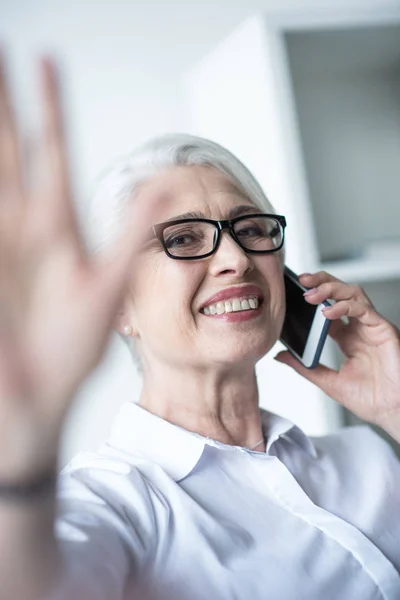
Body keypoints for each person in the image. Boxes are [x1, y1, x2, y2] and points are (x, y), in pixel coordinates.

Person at [1, 56, 400, 600]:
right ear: (119, 305)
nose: (236, 257)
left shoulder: (368, 457)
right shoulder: (116, 504)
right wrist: (22, 456)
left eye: (250, 228)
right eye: (183, 239)